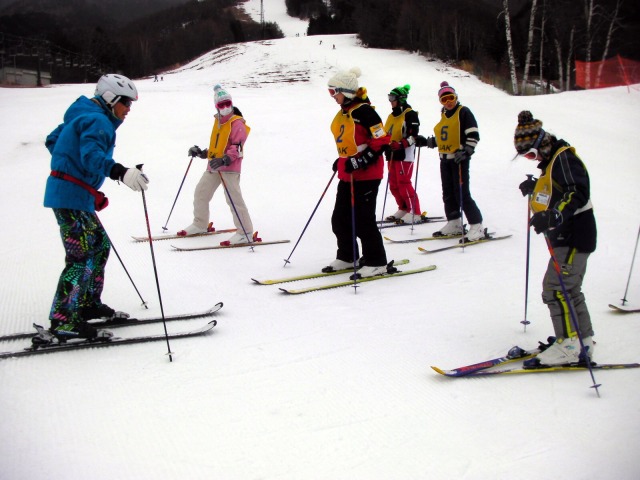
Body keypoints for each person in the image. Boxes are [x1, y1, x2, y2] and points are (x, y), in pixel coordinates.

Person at [44, 74, 149, 340]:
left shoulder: (83, 115)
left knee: (99, 246)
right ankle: (63, 319)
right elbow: (91, 156)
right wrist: (119, 172)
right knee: (80, 256)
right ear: (110, 98)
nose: (128, 109)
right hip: (70, 196)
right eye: (126, 102)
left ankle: (87, 303)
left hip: (76, 195)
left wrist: (75, 172)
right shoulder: (98, 120)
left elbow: (53, 140)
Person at [514, 111, 597, 367]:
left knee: (555, 288)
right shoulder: (552, 162)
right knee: (570, 289)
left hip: (574, 234)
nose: (532, 159)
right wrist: (535, 188)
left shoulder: (563, 158)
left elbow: (577, 192)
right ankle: (582, 340)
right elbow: (555, 191)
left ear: (540, 143)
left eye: (531, 154)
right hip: (570, 234)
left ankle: (568, 345)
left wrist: (554, 215)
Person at [323, 67, 393, 278]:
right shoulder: (344, 113)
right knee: (340, 219)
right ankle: (348, 256)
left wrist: (361, 160)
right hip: (348, 175)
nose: (332, 96)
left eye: (334, 91)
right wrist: (342, 160)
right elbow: (349, 143)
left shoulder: (366, 112)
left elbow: (381, 141)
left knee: (363, 220)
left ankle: (376, 261)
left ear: (346, 91)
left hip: (367, 175)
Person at [179, 84, 255, 246]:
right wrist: (202, 153)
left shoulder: (237, 123)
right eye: (222, 105)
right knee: (201, 193)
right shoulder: (218, 121)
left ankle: (246, 232)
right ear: (216, 106)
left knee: (233, 199)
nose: (225, 107)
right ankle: (200, 224)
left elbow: (237, 148)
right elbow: (217, 147)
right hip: (214, 167)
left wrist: (224, 160)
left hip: (229, 168)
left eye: (228, 103)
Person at [420, 81, 485, 241]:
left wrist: (467, 151)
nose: (448, 102)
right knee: (448, 193)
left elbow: (473, 134)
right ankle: (454, 222)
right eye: (444, 99)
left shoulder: (463, 112)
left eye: (451, 98)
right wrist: (427, 142)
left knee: (461, 193)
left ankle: (477, 225)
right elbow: (444, 137)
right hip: (445, 160)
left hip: (458, 160)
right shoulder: (444, 115)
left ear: (456, 97)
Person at [383, 84, 424, 224]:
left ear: (401, 99)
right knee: (393, 184)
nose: (390, 101)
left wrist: (401, 144)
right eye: (389, 97)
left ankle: (415, 212)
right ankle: (403, 208)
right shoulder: (391, 116)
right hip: (392, 154)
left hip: (405, 155)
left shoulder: (410, 114)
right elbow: (386, 133)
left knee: (404, 183)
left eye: (392, 98)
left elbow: (414, 136)